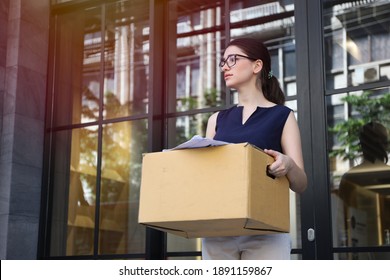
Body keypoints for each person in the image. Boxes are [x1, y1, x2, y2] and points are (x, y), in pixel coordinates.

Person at [202, 37, 308, 260]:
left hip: (265, 229)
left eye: (233, 59)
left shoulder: (283, 115)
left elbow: (301, 184)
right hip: (219, 228)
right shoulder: (216, 119)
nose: (225, 66)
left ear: (257, 66)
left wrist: (287, 164)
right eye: (223, 62)